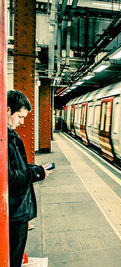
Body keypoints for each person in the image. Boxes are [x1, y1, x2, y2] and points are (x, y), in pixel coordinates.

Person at [7, 90, 51, 267]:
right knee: (13, 258)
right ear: (7, 110)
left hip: (17, 210)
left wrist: (35, 169)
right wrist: (36, 173)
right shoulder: (5, 138)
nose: (22, 122)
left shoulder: (10, 135)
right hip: (14, 212)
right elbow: (8, 177)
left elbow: (18, 166)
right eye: (19, 116)